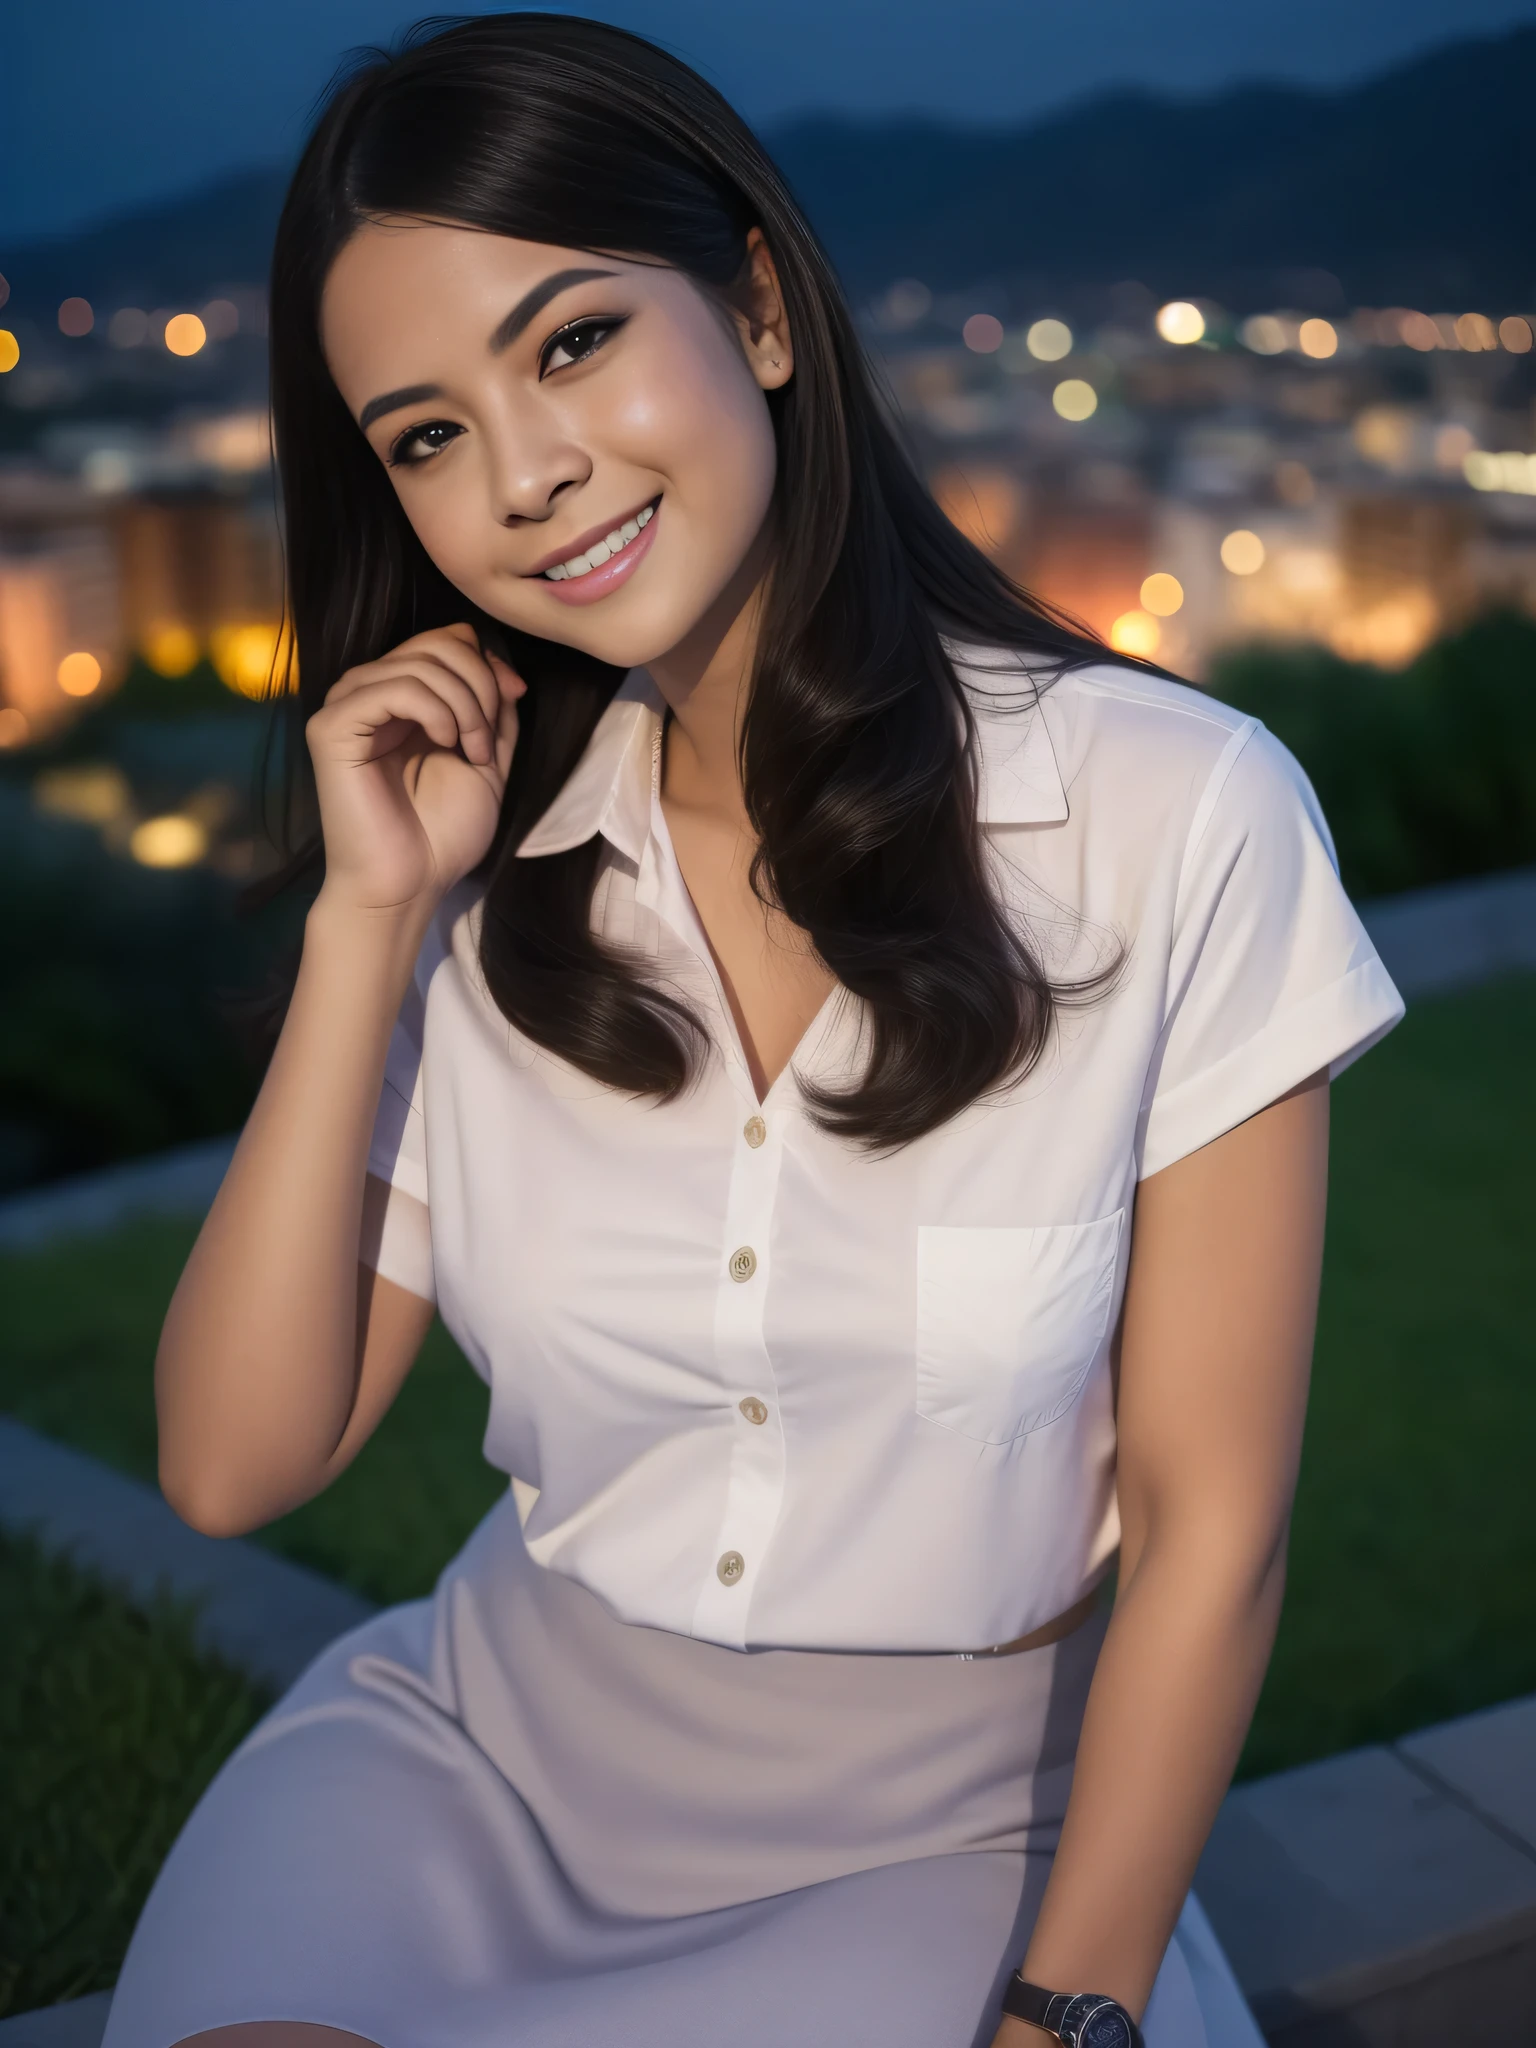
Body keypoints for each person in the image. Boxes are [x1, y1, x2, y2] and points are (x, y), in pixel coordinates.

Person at [103, 15, 1405, 2048]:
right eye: (425, 433)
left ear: (762, 308)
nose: (526, 476)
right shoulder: (481, 867)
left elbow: (1217, 1532)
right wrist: (370, 920)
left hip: (938, 1842)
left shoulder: (1177, 812)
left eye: (570, 343)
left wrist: (1066, 2013)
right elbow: (230, 1459)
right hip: (475, 1769)